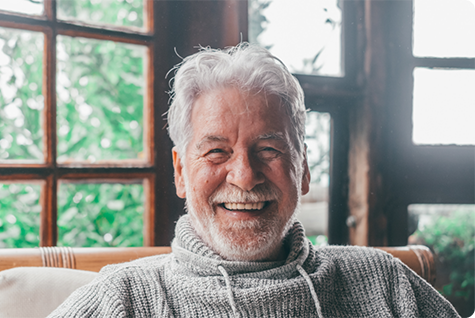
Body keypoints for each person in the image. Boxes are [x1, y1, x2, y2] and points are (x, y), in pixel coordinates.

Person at [48, 43, 460, 317]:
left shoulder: (386, 285)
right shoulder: (121, 300)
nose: (245, 177)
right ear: (180, 172)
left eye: (269, 150)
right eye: (216, 152)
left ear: (302, 169)